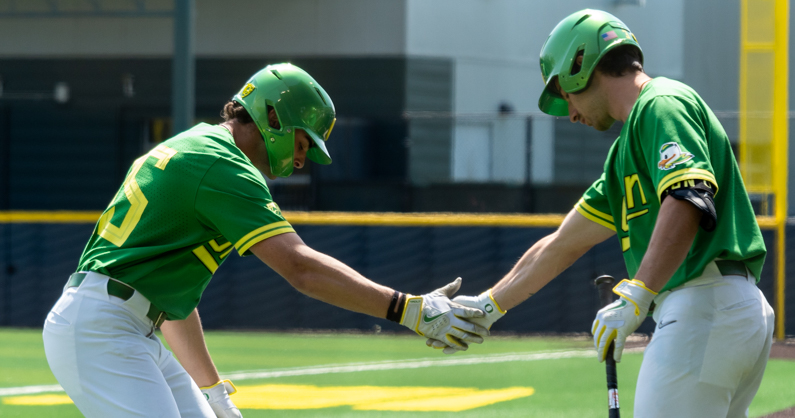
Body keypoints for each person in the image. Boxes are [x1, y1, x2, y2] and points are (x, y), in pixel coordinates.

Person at [42, 63, 489, 418]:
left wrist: (214, 391)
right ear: (272, 115)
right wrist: (408, 309)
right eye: (301, 142)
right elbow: (302, 269)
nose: (299, 159)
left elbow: (168, 299)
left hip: (124, 321)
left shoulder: (199, 147)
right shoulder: (222, 165)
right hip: (104, 328)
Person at [431, 9, 775, 418]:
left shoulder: (661, 103)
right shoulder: (625, 149)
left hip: (704, 305)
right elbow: (561, 244)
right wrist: (487, 307)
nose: (571, 113)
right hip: (718, 309)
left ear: (580, 67)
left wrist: (637, 294)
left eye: (567, 95)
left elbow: (687, 197)